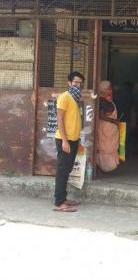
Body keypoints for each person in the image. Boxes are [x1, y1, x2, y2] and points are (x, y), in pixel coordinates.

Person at [53, 71, 84, 212]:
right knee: (62, 170)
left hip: (73, 139)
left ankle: (63, 198)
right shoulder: (64, 97)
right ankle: (59, 203)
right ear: (69, 83)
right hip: (64, 139)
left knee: (67, 170)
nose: (78, 85)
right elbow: (59, 119)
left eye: (80, 83)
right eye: (76, 82)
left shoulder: (75, 98)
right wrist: (65, 141)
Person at [96, 80, 120, 173]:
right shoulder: (102, 101)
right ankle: (102, 167)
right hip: (105, 128)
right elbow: (101, 115)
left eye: (111, 88)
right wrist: (113, 121)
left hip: (110, 129)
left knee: (110, 147)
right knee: (104, 148)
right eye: (108, 89)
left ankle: (106, 167)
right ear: (103, 90)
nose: (111, 90)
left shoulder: (107, 100)